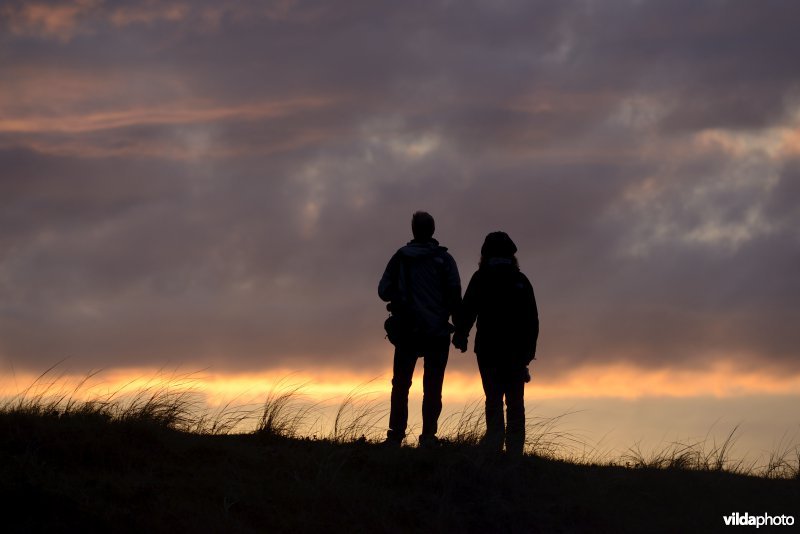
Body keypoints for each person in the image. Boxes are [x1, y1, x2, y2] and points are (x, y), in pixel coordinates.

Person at [379, 211, 461, 446]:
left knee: (401, 384)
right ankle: (428, 437)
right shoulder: (445, 260)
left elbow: (383, 289)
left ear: (413, 230)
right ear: (432, 230)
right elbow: (456, 296)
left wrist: (401, 295)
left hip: (408, 331)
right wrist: (461, 332)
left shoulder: (402, 257)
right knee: (433, 387)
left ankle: (395, 435)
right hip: (438, 333)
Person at [453, 231, 539, 456]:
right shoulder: (521, 281)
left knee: (493, 398)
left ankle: (494, 445)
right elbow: (532, 320)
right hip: (516, 353)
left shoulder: (480, 278)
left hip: (487, 349)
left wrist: (461, 335)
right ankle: (514, 452)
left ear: (485, 254)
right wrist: (528, 353)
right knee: (515, 402)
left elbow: (468, 310)